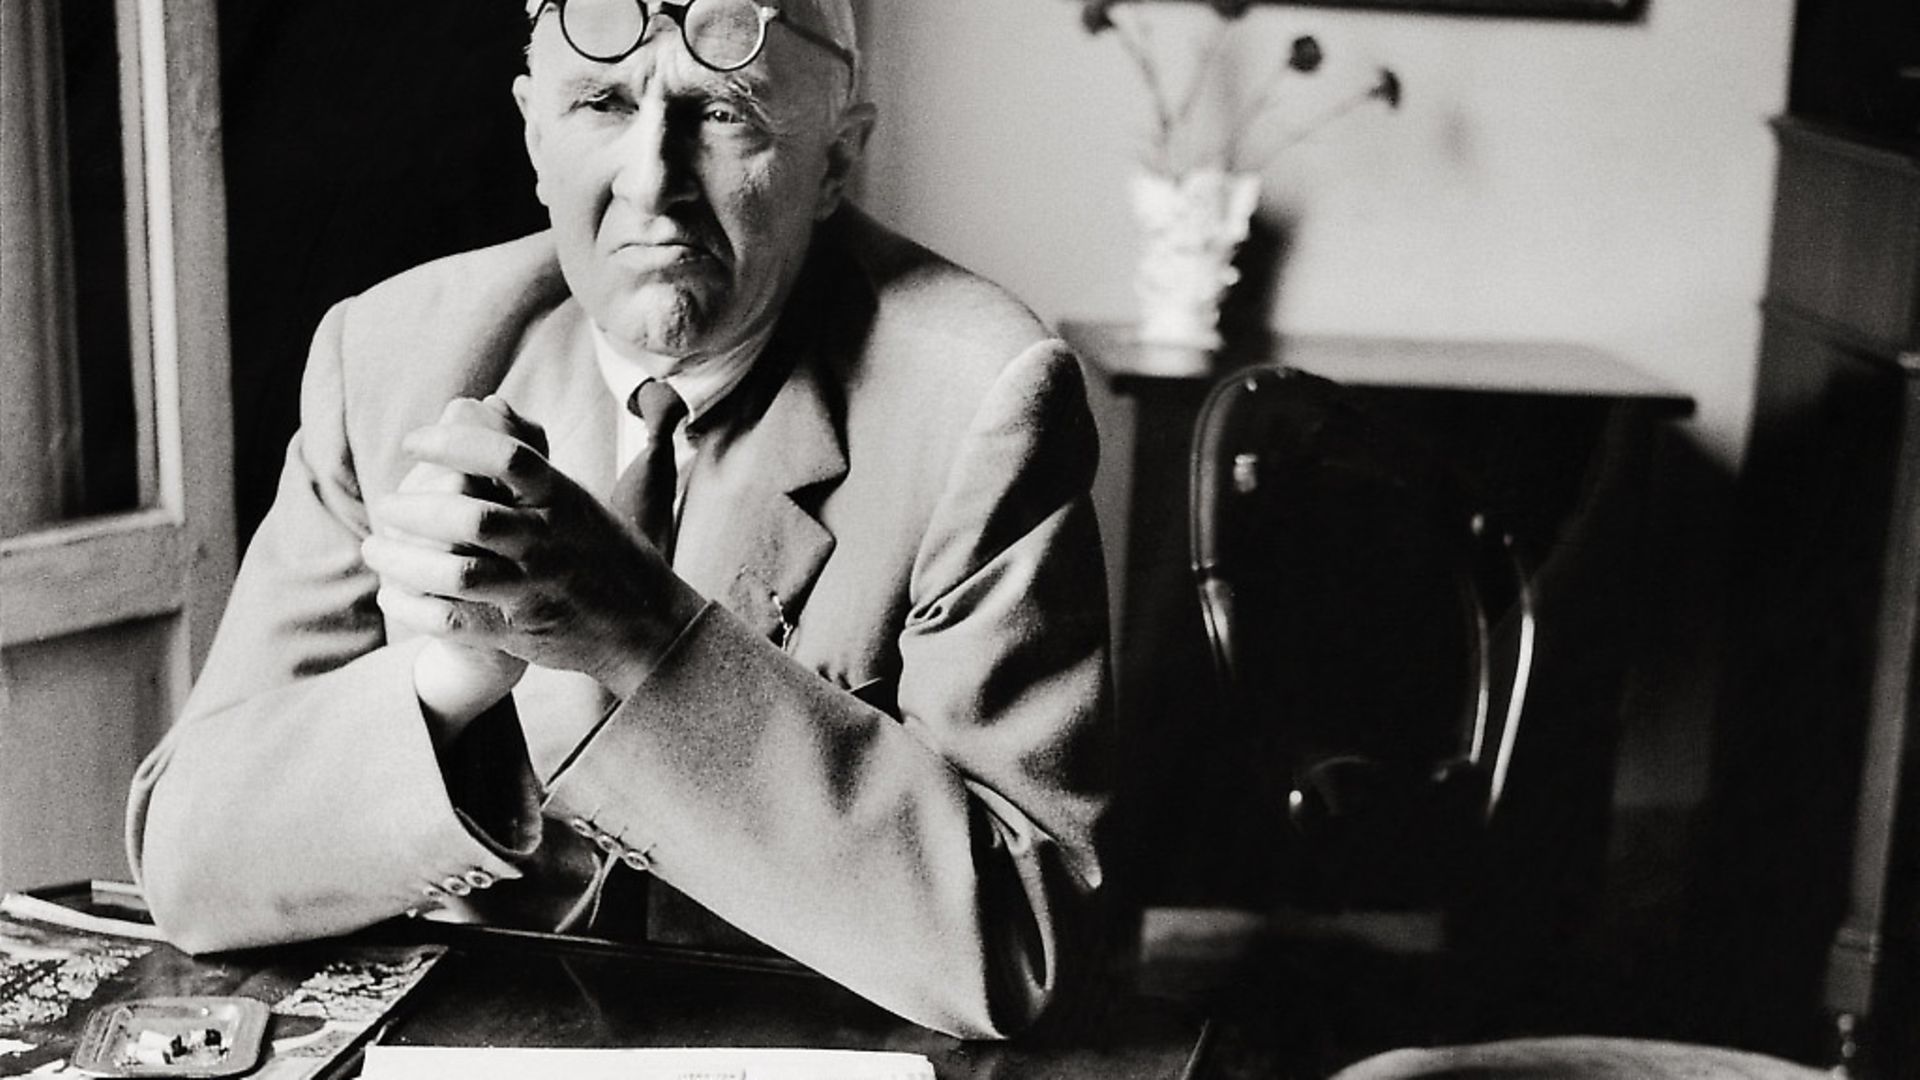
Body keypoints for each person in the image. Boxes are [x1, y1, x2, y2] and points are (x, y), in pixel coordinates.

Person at [126, 0, 1113, 1041]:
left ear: (836, 159)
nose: (653, 182)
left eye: (725, 113)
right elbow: (191, 863)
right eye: (602, 102)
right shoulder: (387, 354)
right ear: (533, 133)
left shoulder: (980, 396)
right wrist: (449, 684)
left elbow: (1027, 944)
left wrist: (639, 635)